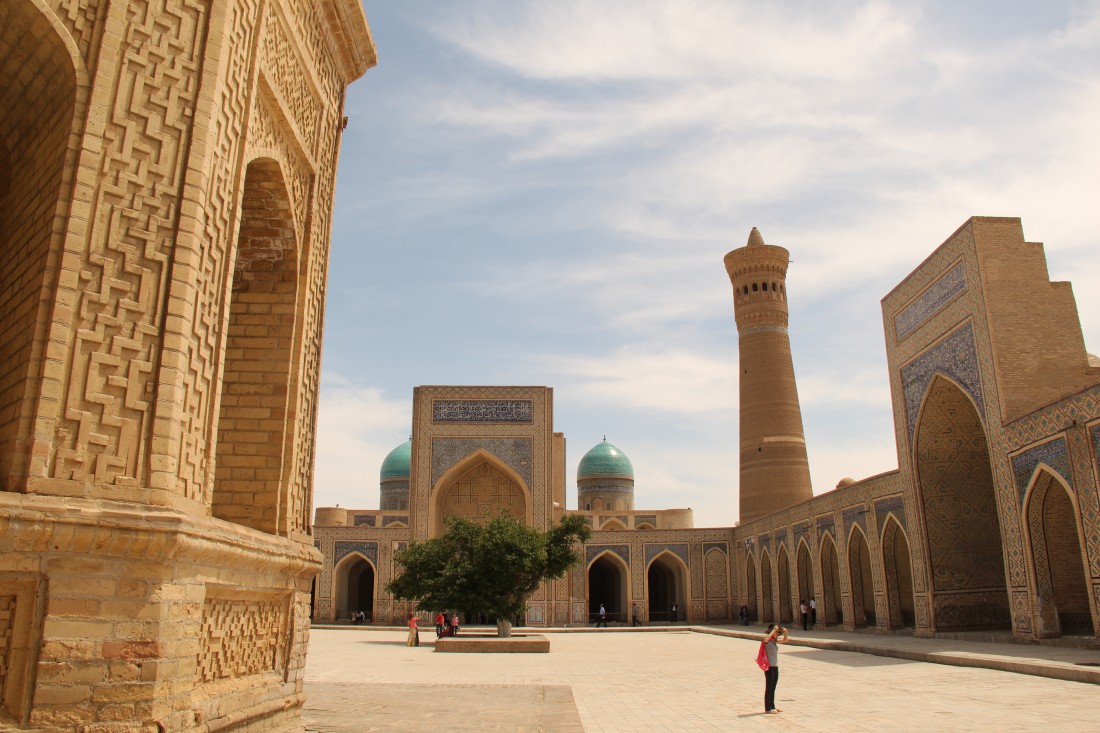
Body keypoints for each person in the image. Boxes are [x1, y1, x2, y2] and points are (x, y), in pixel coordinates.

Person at [761, 623, 789, 714]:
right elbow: (765, 639)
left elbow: (785, 640)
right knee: (769, 687)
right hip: (769, 667)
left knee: (773, 687)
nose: (777, 634)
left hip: (775, 666)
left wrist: (785, 632)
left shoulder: (774, 641)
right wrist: (773, 630)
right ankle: (767, 708)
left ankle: (772, 706)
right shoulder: (767, 640)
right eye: (776, 632)